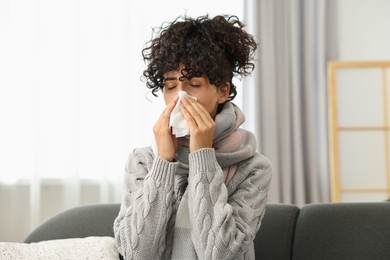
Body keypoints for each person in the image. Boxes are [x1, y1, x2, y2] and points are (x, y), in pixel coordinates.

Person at [113, 14, 272, 260]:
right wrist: (163, 164)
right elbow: (136, 254)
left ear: (222, 91)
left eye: (194, 85)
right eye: (170, 85)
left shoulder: (253, 168)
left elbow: (219, 253)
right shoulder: (143, 161)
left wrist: (202, 156)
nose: (180, 97)